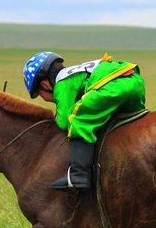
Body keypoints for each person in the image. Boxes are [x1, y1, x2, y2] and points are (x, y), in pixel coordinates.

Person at [23, 52, 146, 191]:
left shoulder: (62, 82)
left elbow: (64, 121)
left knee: (77, 119)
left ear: (45, 84)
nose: (43, 98)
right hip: (135, 82)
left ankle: (79, 175)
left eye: (39, 94)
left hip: (113, 87)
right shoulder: (75, 73)